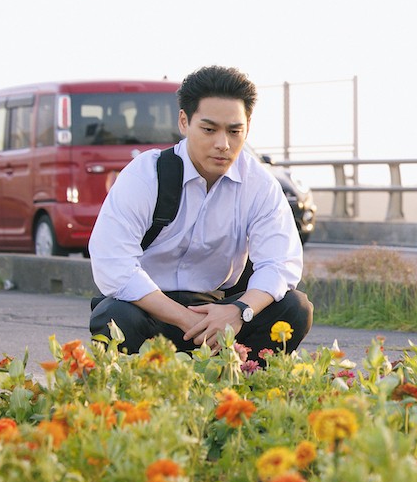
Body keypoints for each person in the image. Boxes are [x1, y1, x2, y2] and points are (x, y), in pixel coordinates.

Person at [89, 65, 312, 361]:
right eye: (209, 130)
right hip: (150, 308)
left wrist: (239, 311)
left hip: (220, 311)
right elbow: (113, 263)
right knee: (113, 316)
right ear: (184, 122)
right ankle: (139, 391)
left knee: (295, 308)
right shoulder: (146, 174)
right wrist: (185, 319)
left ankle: (243, 385)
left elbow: (280, 264)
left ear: (248, 127)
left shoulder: (259, 184)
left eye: (235, 131)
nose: (223, 144)